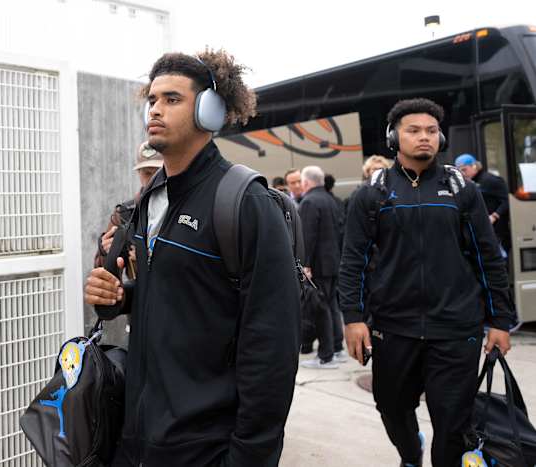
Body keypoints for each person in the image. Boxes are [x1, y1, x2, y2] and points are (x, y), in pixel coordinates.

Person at [84, 49, 300, 467]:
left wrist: (249, 456)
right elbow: (176, 295)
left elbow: (273, 345)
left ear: (209, 111)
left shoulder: (246, 203)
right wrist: (119, 298)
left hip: (205, 448)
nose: (155, 110)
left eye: (172, 99)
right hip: (137, 440)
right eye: (152, 99)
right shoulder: (149, 200)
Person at [339, 98, 515, 467]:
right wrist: (352, 318)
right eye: (414, 130)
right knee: (391, 407)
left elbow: (487, 257)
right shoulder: (372, 193)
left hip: (456, 328)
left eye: (432, 131)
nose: (424, 137)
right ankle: (410, 453)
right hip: (394, 327)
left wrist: (500, 320)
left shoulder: (462, 190)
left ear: (441, 138)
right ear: (394, 137)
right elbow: (353, 260)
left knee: (452, 422)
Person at [95, 142, 164, 278]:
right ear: (139, 173)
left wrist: (146, 259)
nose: (153, 179)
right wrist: (106, 252)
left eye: (158, 172)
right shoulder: (124, 214)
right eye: (147, 173)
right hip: (137, 289)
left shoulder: (178, 209)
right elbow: (102, 274)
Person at [298, 166, 344, 369]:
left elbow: (307, 236)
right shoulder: (330, 199)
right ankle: (337, 347)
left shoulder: (309, 201)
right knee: (331, 305)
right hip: (333, 262)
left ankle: (326, 356)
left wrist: (305, 264)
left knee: (321, 309)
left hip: (319, 265)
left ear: (306, 182)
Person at [454, 153, 511, 255]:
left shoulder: (491, 180)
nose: (462, 174)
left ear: (474, 166)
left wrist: (494, 216)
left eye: (464, 170)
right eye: (459, 171)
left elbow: (507, 201)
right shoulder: (468, 183)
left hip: (497, 232)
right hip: (481, 231)